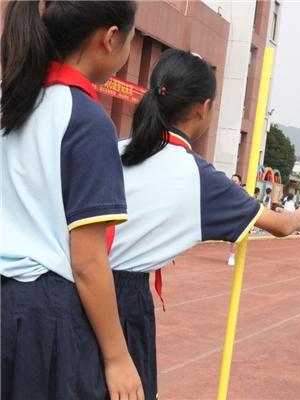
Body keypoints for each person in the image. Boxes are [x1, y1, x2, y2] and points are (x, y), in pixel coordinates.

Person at [110, 49, 300, 397]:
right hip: (122, 299)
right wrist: (296, 218)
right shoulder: (198, 176)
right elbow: (278, 225)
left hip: (69, 282)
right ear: (202, 108)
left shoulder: (114, 148)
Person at [0, 2, 143, 399]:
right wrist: (117, 357)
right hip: (40, 316)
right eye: (132, 38)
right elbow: (87, 261)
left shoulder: (9, 100)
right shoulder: (84, 118)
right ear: (111, 38)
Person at [228, 174, 243, 266]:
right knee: (233, 239)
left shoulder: (242, 192)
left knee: (235, 239)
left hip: (240, 217)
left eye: (235, 181)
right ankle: (232, 256)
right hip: (230, 217)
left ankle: (232, 257)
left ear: (240, 182)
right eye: (231, 180)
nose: (232, 182)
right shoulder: (227, 191)